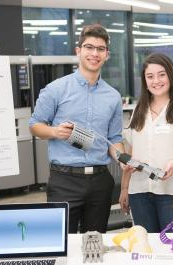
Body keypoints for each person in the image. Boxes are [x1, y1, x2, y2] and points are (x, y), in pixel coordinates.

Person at [29, 24, 124, 234]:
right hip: (64, 181)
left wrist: (124, 159)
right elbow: (34, 125)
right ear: (79, 51)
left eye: (100, 49)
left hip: (100, 181)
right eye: (89, 47)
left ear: (106, 55)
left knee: (95, 245)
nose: (94, 53)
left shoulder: (113, 97)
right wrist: (55, 132)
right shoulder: (55, 89)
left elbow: (114, 138)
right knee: (62, 244)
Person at [119, 53, 173, 233]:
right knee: (145, 247)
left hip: (172, 191)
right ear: (144, 80)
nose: (156, 81)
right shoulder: (138, 109)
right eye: (150, 76)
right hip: (139, 192)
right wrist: (125, 187)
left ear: (171, 75)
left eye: (161, 74)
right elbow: (131, 152)